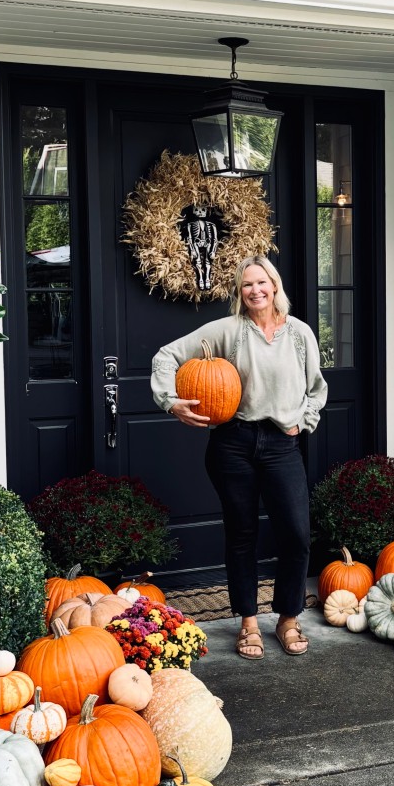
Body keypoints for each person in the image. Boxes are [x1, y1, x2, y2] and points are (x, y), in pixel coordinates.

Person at [151, 255, 328, 659]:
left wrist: (304, 421)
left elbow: (316, 389)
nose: (255, 290)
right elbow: (166, 355)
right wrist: (171, 401)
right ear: (239, 290)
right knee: (242, 534)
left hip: (282, 444)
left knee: (297, 535)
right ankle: (248, 622)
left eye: (261, 282)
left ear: (275, 284)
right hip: (234, 444)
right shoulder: (228, 330)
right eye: (247, 284)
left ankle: (287, 618)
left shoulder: (299, 334)